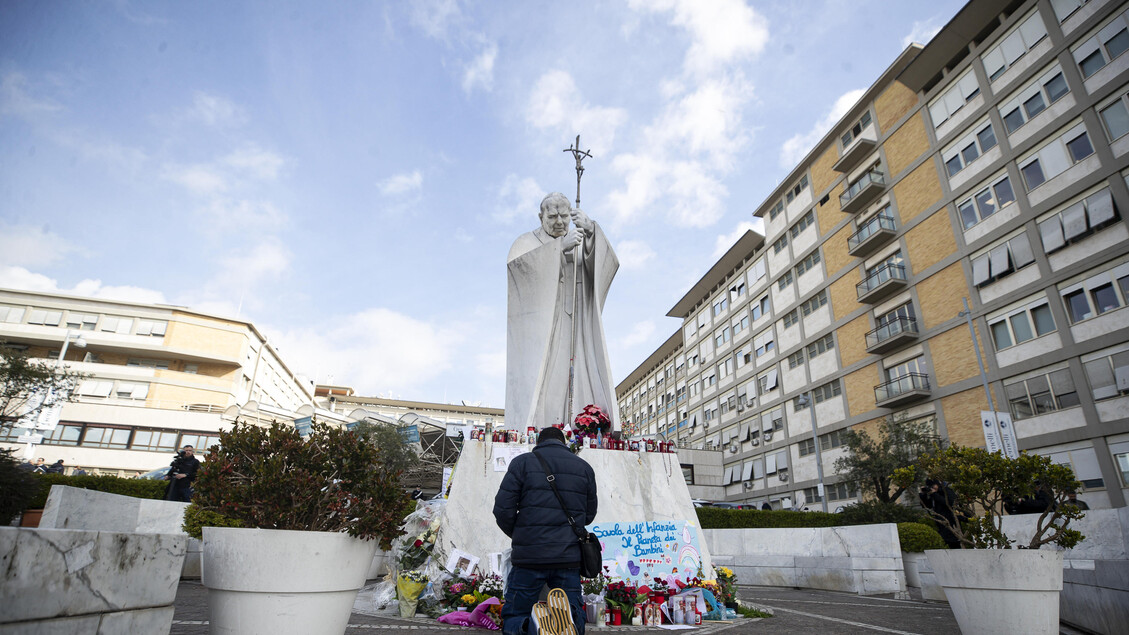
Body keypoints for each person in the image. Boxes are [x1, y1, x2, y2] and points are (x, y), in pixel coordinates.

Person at [506, 193, 619, 431]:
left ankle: (581, 425)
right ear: (541, 217)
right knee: (550, 378)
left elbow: (605, 265)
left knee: (580, 374)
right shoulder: (526, 242)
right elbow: (519, 271)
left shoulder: (578, 237)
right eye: (552, 216)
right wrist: (558, 250)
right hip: (546, 326)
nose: (559, 221)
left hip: (578, 324)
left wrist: (591, 233)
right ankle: (542, 426)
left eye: (564, 216)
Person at [493, 426, 597, 635]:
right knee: (571, 614)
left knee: (517, 612)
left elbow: (502, 509)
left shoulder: (522, 463)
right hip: (568, 556)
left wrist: (523, 534)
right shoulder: (584, 467)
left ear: (538, 442)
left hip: (530, 557)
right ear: (564, 442)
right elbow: (588, 514)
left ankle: (531, 627)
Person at [919, 479, 961, 549]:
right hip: (941, 523)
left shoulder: (946, 491)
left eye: (933, 486)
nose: (932, 488)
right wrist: (923, 495)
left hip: (951, 522)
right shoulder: (934, 494)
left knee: (954, 544)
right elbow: (927, 506)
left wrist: (935, 494)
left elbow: (950, 503)